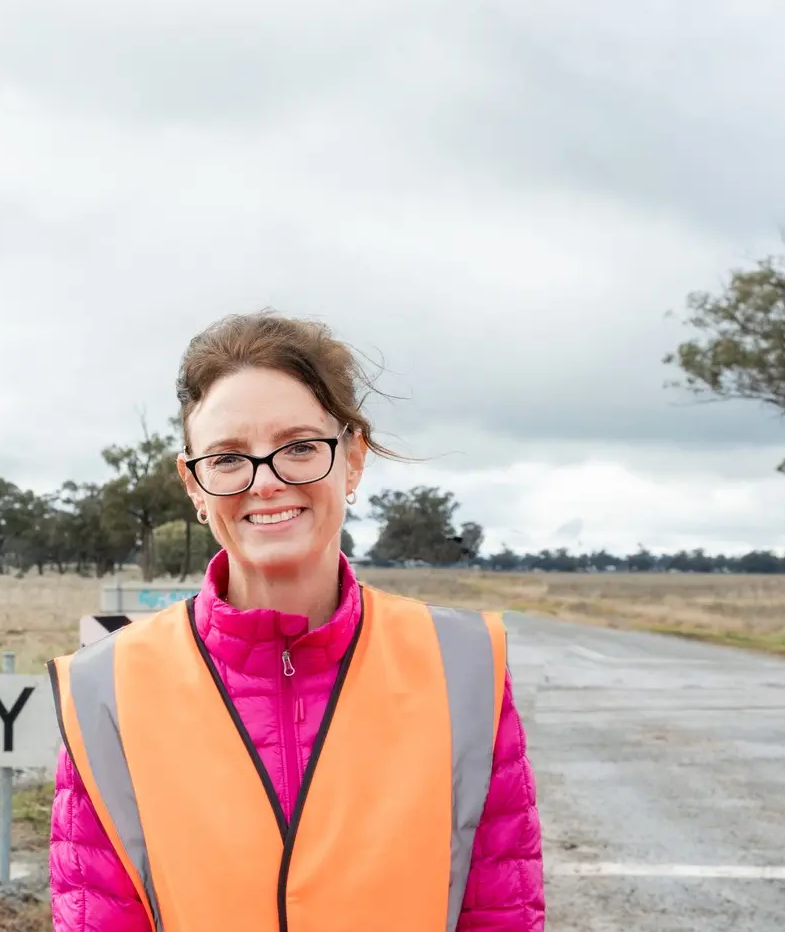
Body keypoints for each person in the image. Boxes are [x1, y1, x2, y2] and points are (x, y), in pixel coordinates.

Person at [47, 312, 544, 932]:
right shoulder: (108, 688)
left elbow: (500, 911)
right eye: (228, 458)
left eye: (301, 447)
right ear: (194, 485)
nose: (267, 481)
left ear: (352, 459)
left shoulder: (462, 666)